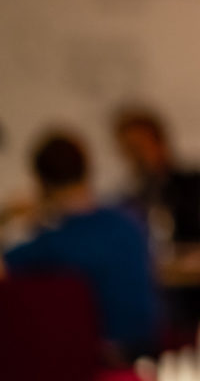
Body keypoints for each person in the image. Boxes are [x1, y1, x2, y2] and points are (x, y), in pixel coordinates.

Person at [0, 130, 160, 365]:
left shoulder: (54, 243)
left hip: (92, 358)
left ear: (41, 183)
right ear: (88, 169)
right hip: (144, 347)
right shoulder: (128, 222)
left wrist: (6, 217)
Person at [113, 102, 200, 350]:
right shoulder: (129, 195)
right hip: (152, 287)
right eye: (129, 148)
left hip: (186, 288)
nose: (135, 155)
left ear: (158, 141)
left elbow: (189, 221)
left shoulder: (190, 180)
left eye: (139, 146)